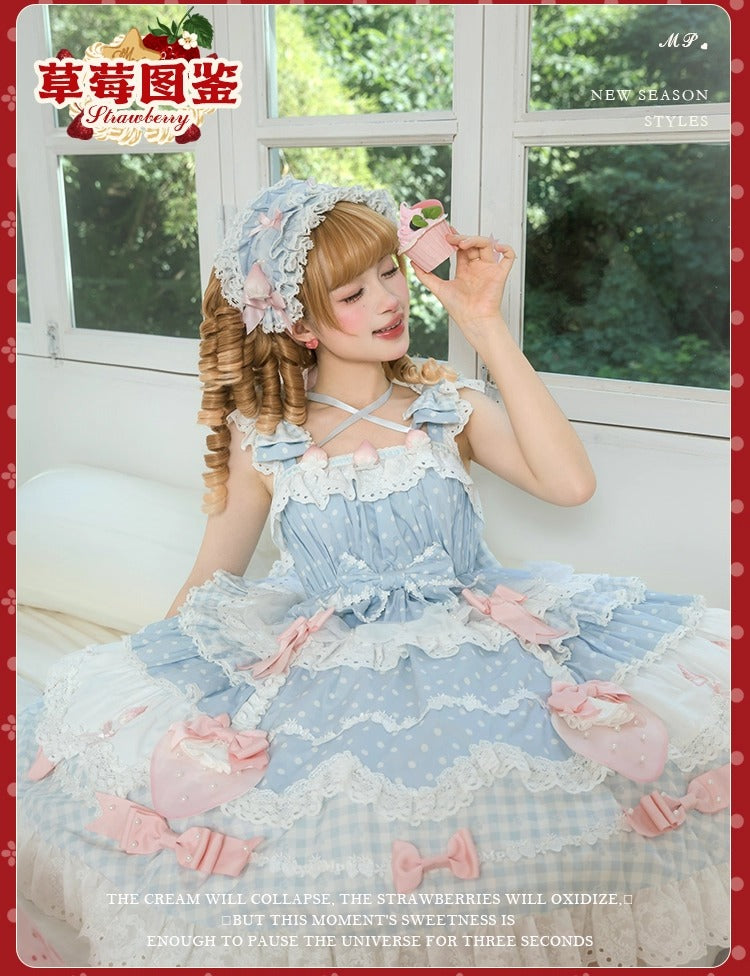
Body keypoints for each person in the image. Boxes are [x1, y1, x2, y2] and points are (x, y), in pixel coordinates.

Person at [18, 176, 730, 969]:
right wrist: (149, 690)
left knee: (553, 797)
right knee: (318, 836)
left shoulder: (445, 406)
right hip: (328, 667)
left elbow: (570, 485)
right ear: (301, 323)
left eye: (390, 271)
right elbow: (210, 580)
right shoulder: (269, 438)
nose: (390, 299)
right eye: (354, 293)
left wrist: (484, 323)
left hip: (481, 643)